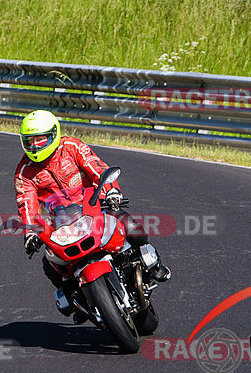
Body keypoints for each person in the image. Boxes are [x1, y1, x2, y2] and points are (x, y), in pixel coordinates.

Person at [14, 109, 171, 322]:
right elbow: (26, 204)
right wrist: (31, 233)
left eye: (40, 140)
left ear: (53, 135)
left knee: (130, 226)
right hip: (61, 224)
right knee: (51, 265)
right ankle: (80, 301)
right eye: (30, 141)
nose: (35, 146)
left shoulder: (71, 146)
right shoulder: (25, 171)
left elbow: (96, 167)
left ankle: (152, 265)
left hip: (94, 207)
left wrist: (111, 191)